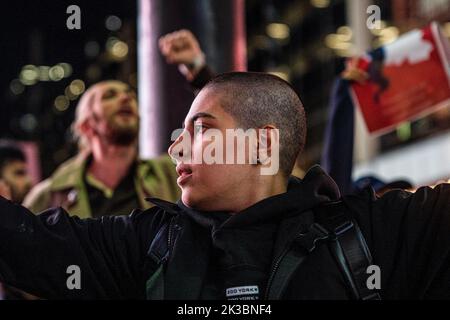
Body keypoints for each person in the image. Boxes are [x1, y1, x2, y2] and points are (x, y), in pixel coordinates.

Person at [0, 72, 449, 300]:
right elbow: (28, 243)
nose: (177, 148)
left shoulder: (374, 233)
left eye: (201, 129)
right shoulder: (149, 244)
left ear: (263, 144)